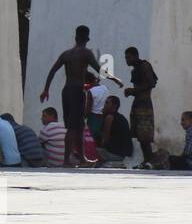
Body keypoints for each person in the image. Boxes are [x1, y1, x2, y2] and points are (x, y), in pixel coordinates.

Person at [39, 25, 99, 167]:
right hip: (77, 91)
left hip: (66, 91)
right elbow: (99, 69)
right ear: (87, 39)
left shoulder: (66, 54)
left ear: (76, 37)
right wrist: (115, 78)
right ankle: (67, 160)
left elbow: (52, 71)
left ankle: (82, 159)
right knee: (73, 127)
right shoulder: (86, 53)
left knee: (77, 126)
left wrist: (46, 89)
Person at [122, 47, 160, 167]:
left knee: (145, 136)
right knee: (139, 135)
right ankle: (146, 160)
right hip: (137, 104)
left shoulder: (144, 66)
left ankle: (149, 160)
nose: (126, 60)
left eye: (128, 57)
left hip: (144, 105)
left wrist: (134, 90)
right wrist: (132, 92)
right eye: (125, 57)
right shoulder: (134, 71)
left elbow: (151, 83)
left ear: (135, 56)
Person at [95, 96, 135, 167]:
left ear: (114, 105)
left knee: (89, 150)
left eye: (107, 103)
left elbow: (105, 139)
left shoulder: (109, 117)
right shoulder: (121, 117)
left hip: (116, 155)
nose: (104, 105)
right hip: (124, 154)